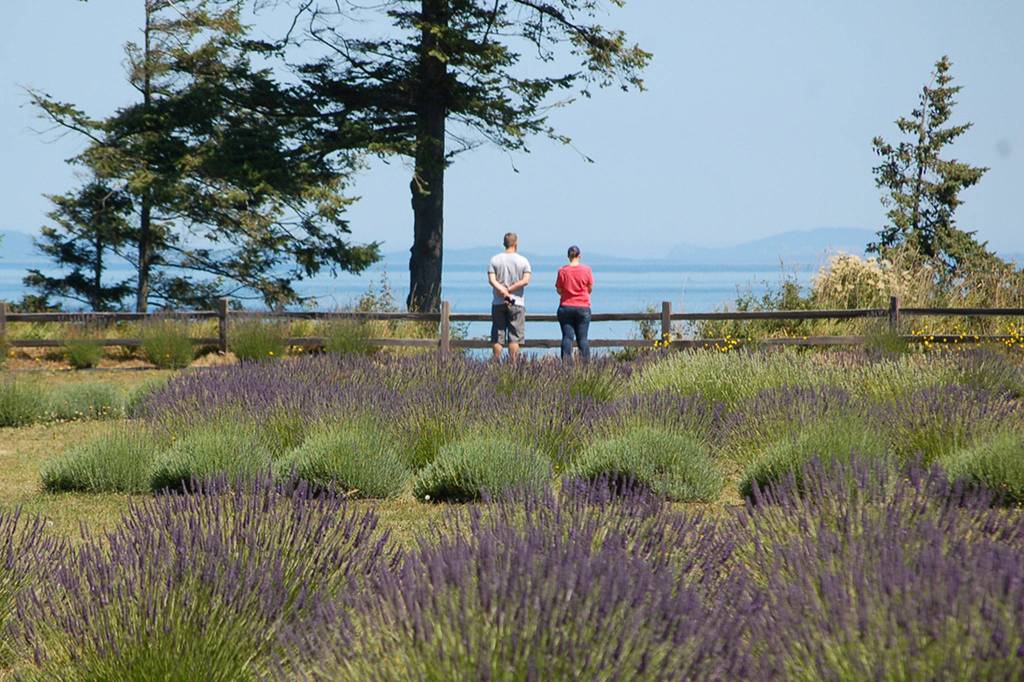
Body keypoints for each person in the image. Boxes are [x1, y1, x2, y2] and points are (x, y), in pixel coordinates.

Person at [488, 232, 532, 362]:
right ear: (516, 244)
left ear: (504, 244)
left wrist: (503, 290)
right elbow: (526, 280)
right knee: (514, 337)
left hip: (498, 302)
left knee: (498, 335)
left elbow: (492, 280)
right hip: (517, 302)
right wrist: (510, 290)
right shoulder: (523, 261)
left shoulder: (494, 260)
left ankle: (495, 362)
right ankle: (512, 365)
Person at [555, 245, 594, 362]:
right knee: (583, 339)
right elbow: (590, 288)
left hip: (566, 306)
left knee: (567, 338)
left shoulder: (562, 271)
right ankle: (585, 366)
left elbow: (559, 289)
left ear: (568, 256)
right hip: (583, 307)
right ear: (579, 256)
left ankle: (567, 366)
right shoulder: (587, 270)